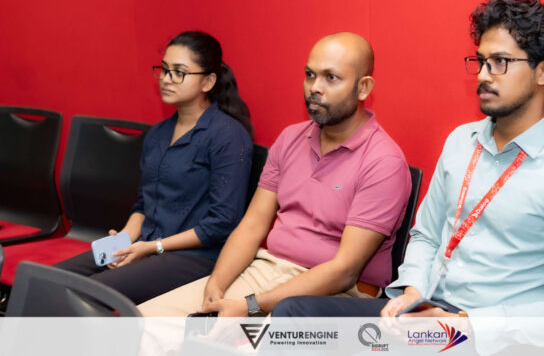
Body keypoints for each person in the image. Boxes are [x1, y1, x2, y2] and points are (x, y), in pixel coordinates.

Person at [272, 0, 544, 355]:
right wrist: (413, 292)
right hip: (428, 311)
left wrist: (465, 324)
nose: (483, 75)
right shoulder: (461, 142)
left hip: (490, 338)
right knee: (294, 316)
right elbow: (425, 234)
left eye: (499, 63)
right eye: (480, 61)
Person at [137, 31, 412, 317]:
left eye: (331, 77)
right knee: (140, 324)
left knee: (227, 339)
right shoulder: (291, 138)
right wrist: (215, 286)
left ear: (363, 88)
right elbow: (252, 225)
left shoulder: (383, 162)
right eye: (309, 75)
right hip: (267, 269)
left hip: (338, 295)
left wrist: (250, 304)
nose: (314, 88)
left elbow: (344, 271)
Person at [54, 31, 254, 305]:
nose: (167, 79)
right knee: (47, 280)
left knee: (84, 295)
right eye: (164, 69)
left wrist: (152, 247)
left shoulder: (227, 136)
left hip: (196, 256)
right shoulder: (159, 133)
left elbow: (222, 223)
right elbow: (144, 204)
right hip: (149, 243)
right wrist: (124, 239)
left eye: (179, 72)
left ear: (208, 81)